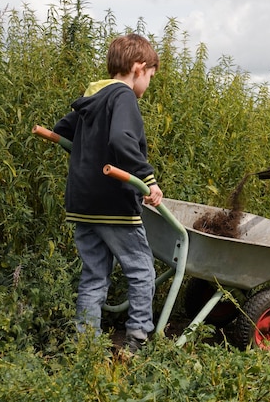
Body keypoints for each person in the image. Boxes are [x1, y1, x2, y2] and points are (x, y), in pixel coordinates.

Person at [54, 33, 162, 352]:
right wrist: (148, 179)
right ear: (138, 68)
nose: (148, 86)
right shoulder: (123, 96)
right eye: (151, 78)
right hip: (112, 205)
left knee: (94, 274)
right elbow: (121, 140)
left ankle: (85, 341)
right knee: (141, 269)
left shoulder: (93, 95)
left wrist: (88, 156)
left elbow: (62, 130)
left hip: (81, 203)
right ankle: (137, 337)